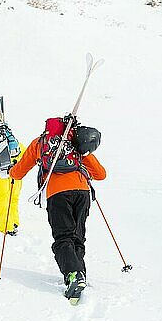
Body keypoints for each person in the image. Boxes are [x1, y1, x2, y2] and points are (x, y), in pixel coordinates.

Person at [8, 119, 106, 300]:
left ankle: (74, 275)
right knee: (77, 235)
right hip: (82, 192)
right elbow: (101, 174)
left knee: (63, 237)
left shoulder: (41, 143)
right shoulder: (75, 144)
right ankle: (79, 273)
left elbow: (19, 171)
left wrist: (11, 172)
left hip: (57, 193)